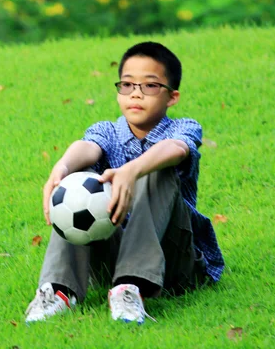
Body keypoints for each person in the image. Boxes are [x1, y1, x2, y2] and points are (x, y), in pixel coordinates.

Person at [25, 41, 225, 325]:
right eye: (128, 85)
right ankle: (58, 291)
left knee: (157, 169)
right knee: (75, 181)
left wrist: (131, 171)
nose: (137, 94)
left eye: (151, 86)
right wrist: (62, 167)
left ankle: (133, 288)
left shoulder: (184, 127)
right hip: (113, 259)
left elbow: (177, 149)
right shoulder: (108, 131)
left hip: (177, 263)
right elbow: (87, 146)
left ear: (172, 97)